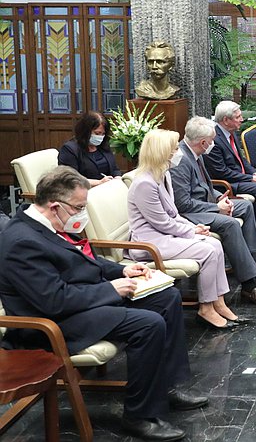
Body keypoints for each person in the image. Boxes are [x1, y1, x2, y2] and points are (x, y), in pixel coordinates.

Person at [0, 166, 207, 441]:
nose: (82, 213)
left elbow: (81, 260)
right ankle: (139, 415)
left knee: (167, 297)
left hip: (79, 303)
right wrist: (111, 289)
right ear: (54, 206)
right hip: (52, 323)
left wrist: (121, 271)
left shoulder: (51, 223)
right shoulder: (21, 242)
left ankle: (166, 387)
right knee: (148, 324)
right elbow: (54, 301)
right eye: (79, 207)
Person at [128, 129, 242, 330]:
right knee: (207, 251)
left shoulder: (163, 175)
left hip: (167, 235)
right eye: (173, 149)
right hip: (150, 242)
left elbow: (173, 214)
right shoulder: (144, 183)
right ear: (161, 152)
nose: (177, 152)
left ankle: (219, 302)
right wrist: (192, 232)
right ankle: (206, 307)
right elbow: (161, 223)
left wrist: (193, 226)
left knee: (215, 244)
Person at [170, 116, 256, 306]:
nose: (214, 144)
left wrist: (220, 196)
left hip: (205, 204)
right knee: (229, 224)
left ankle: (250, 260)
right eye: (212, 141)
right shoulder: (181, 161)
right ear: (203, 143)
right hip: (190, 214)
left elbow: (205, 184)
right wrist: (216, 208)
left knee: (244, 205)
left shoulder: (195, 152)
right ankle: (249, 285)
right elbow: (183, 204)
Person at [205, 101, 256, 241]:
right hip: (227, 183)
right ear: (226, 120)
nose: (242, 119)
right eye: (238, 117)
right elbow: (221, 172)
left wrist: (254, 173)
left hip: (240, 176)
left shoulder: (232, 133)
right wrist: (249, 178)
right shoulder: (214, 140)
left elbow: (242, 161)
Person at [58, 111, 121, 187]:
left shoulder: (103, 146)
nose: (100, 137)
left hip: (107, 189)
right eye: (97, 133)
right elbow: (70, 179)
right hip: (84, 191)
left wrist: (117, 178)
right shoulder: (70, 149)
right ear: (86, 131)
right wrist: (99, 182)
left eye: (103, 134)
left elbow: (114, 169)